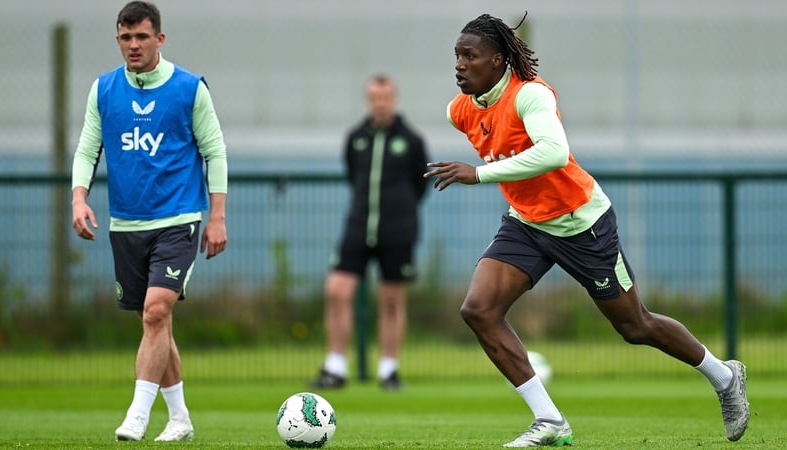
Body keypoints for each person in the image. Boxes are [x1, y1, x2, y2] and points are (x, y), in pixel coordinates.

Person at [423, 13, 749, 447]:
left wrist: (480, 174)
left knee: (636, 326)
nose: (460, 65)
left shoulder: (530, 96)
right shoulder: (458, 111)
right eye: (457, 56)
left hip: (581, 223)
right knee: (478, 310)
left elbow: (555, 153)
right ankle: (550, 421)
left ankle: (725, 376)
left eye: (471, 56)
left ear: (499, 60)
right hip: (526, 223)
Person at [71, 1, 228, 442]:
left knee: (156, 312)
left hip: (178, 219)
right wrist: (78, 199)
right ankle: (180, 419)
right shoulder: (103, 90)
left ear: (160, 38)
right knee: (155, 323)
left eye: (142, 37)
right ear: (118, 40)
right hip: (126, 224)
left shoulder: (188, 88)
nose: (134, 45)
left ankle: (137, 415)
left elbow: (214, 152)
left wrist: (216, 217)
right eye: (126, 37)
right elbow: (87, 149)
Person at [310, 75, 429, 390]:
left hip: (398, 232)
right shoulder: (356, 138)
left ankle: (388, 369)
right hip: (358, 227)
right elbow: (353, 175)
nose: (380, 103)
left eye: (385, 97)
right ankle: (336, 367)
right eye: (374, 97)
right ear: (368, 100)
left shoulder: (412, 140)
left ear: (394, 99)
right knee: (337, 291)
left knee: (390, 300)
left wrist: (399, 213)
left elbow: (420, 185)